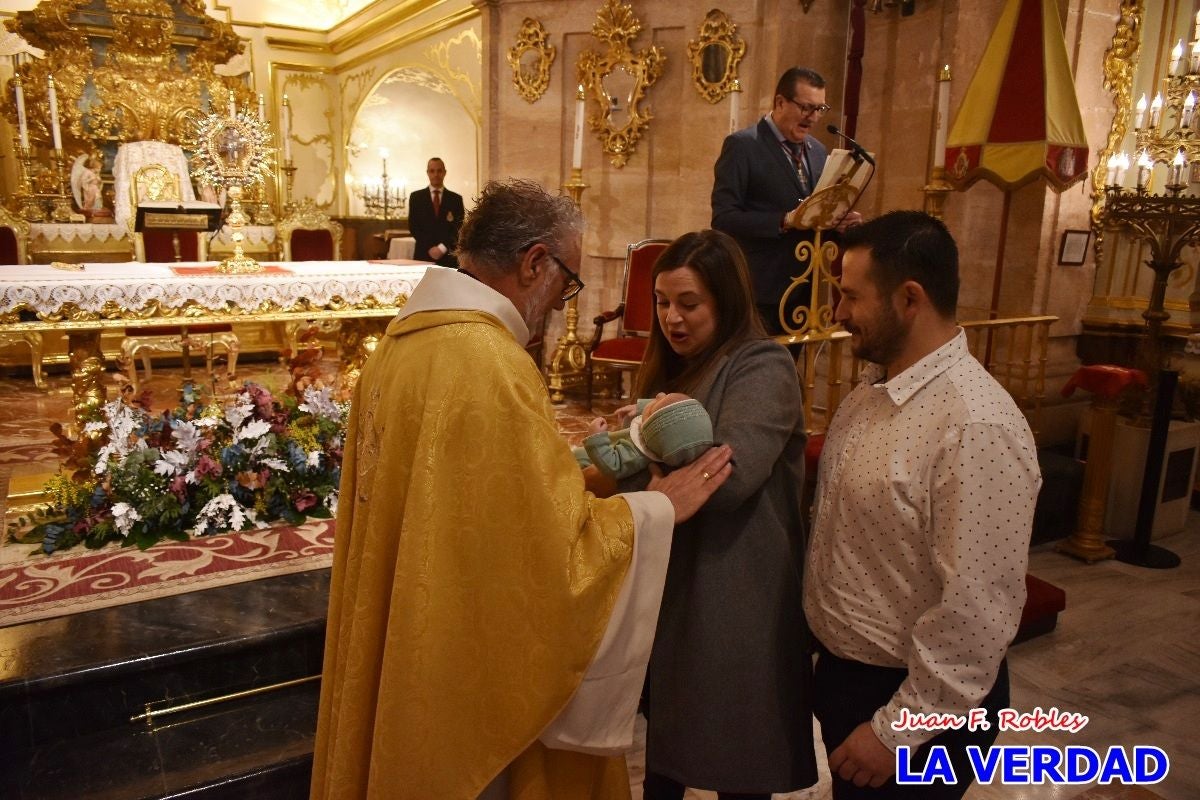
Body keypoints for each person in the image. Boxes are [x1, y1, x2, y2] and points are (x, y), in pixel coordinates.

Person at [310, 179, 735, 800]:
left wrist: (593, 468)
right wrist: (656, 509)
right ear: (535, 261)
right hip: (465, 679)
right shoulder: (491, 363)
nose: (562, 305)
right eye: (566, 284)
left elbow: (482, 498)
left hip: (416, 638)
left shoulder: (400, 348)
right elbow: (546, 556)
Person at [803, 211, 1042, 799]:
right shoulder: (870, 395)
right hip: (851, 680)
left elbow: (977, 611)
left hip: (922, 714)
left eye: (850, 296)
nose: (836, 314)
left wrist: (894, 733)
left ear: (909, 299)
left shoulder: (975, 424)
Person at [618, 229, 816, 799]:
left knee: (742, 757)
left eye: (689, 303)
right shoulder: (670, 373)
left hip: (740, 590)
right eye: (662, 302)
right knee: (668, 749)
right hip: (680, 581)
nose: (671, 319)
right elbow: (638, 477)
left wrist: (644, 434)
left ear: (726, 301)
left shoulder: (763, 365)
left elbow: (728, 478)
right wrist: (649, 434)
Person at [711, 66, 862, 335]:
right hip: (758, 288)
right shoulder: (743, 146)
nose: (813, 117)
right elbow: (723, 218)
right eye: (806, 108)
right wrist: (784, 220)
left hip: (805, 289)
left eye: (820, 109)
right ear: (780, 102)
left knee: (789, 373)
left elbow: (814, 219)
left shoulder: (817, 151)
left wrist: (836, 224)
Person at [573, 392, 714, 480]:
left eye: (655, 403)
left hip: (585, 462)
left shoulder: (636, 455)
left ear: (649, 426)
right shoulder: (658, 436)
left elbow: (613, 465)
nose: (659, 394)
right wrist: (641, 408)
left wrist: (597, 438)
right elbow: (659, 412)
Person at [408, 156, 465, 267]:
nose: (436, 174)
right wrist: (429, 247)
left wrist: (442, 248)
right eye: (432, 171)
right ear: (427, 173)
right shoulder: (416, 197)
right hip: (423, 255)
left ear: (444, 172)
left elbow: (458, 227)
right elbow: (413, 226)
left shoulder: (456, 199)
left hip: (448, 256)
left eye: (439, 171)